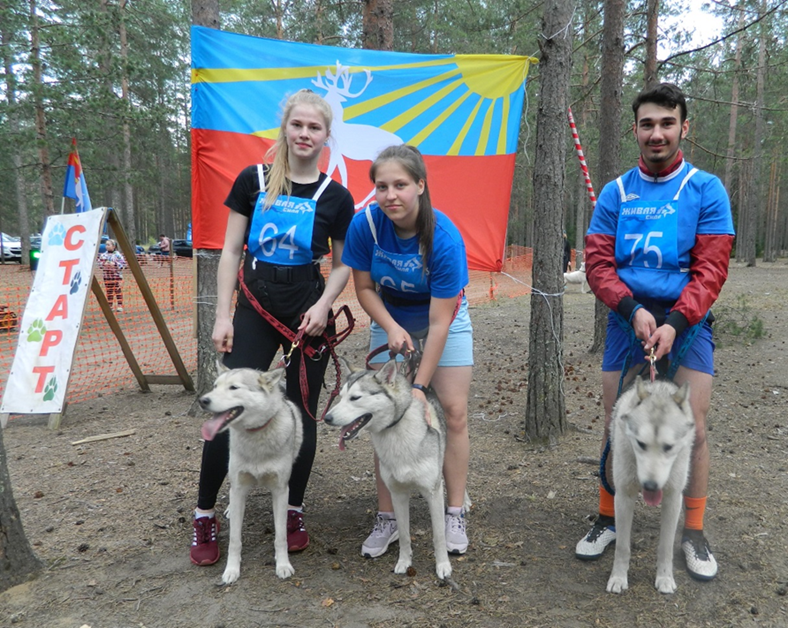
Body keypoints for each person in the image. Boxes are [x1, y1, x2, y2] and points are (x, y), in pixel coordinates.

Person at [576, 83, 734, 581]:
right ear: (635, 130)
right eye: (647, 124)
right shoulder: (616, 192)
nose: (657, 133)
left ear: (683, 127)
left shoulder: (706, 189)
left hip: (687, 321)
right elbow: (598, 263)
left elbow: (712, 267)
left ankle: (693, 530)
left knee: (696, 427)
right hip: (628, 319)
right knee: (619, 420)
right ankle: (607, 518)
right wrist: (632, 307)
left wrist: (676, 321)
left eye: (667, 123)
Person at [190, 89, 355, 566]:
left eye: (315, 128)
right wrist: (224, 314)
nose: (305, 134)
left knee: (302, 416)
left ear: (326, 136)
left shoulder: (336, 196)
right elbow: (231, 252)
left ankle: (293, 509)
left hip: (306, 307)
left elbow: (343, 265)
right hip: (255, 305)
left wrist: (325, 305)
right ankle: (205, 513)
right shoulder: (253, 180)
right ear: (285, 129)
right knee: (230, 409)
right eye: (297, 125)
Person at [342, 144, 473, 558]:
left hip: (443, 320)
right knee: (383, 415)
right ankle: (388, 519)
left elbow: (439, 324)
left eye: (400, 185)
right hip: (390, 317)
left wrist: (418, 386)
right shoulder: (366, 225)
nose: (391, 195)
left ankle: (454, 510)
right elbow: (363, 288)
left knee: (452, 412)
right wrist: (391, 327)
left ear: (420, 185)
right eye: (382, 186)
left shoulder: (445, 239)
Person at [98, 239, 125, 312]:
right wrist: (104, 264)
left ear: (114, 246)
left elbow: (123, 264)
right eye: (106, 244)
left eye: (108, 245)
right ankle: (110, 305)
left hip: (116, 276)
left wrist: (115, 264)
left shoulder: (118, 255)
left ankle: (119, 305)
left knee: (117, 290)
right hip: (107, 276)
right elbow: (99, 264)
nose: (106, 246)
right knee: (109, 291)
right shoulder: (103, 255)